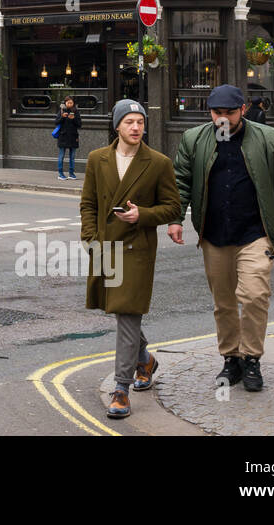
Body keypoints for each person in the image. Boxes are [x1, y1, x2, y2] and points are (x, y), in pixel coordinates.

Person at [171, 84, 274, 393]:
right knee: (224, 302)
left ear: (243, 110)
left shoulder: (270, 139)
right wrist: (174, 219)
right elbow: (180, 181)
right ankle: (231, 358)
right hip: (214, 234)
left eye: (229, 113)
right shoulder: (193, 139)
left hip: (256, 232)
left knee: (256, 295)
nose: (223, 119)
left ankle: (252, 358)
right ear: (210, 111)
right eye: (217, 113)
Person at [79, 99, 181, 420]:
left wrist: (143, 215)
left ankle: (121, 388)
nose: (136, 127)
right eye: (129, 122)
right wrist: (90, 239)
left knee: (126, 312)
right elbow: (88, 203)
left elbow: (173, 207)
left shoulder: (159, 162)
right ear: (117, 126)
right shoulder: (98, 159)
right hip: (106, 247)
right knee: (120, 313)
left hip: (137, 250)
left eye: (140, 122)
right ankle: (146, 362)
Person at [54, 96, 82, 180]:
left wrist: (73, 119)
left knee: (72, 156)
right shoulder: (61, 110)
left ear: (73, 103)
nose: (70, 104)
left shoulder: (76, 112)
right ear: (65, 103)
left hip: (73, 136)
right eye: (68, 102)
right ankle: (60, 173)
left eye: (71, 102)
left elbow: (79, 124)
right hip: (63, 136)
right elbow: (56, 122)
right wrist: (62, 117)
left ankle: (71, 173)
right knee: (61, 155)